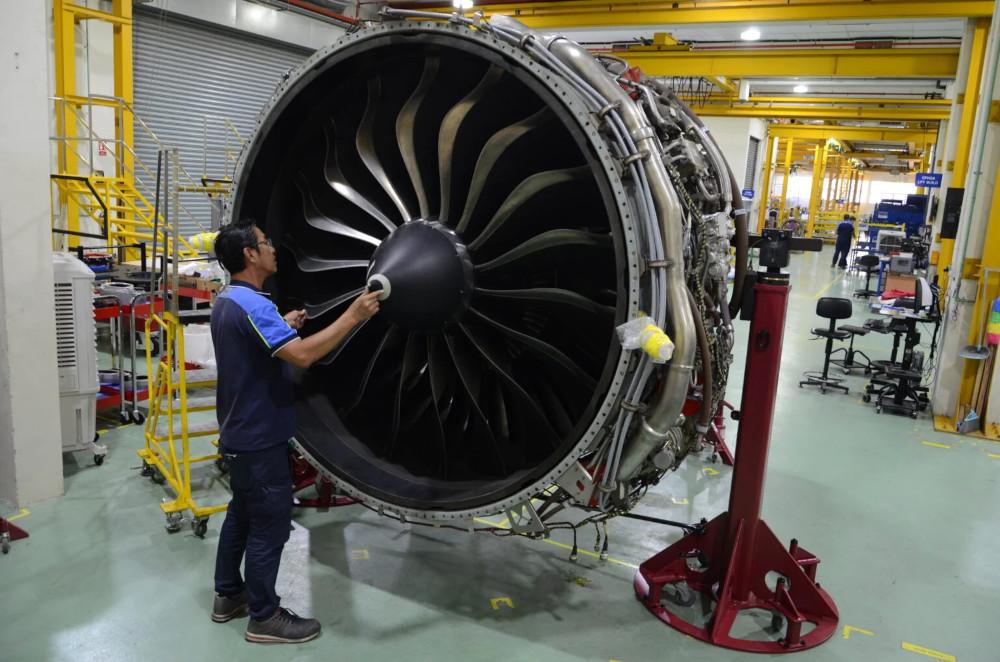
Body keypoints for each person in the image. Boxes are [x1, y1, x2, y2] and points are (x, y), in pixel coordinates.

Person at [209, 220, 380, 644]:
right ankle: (264, 617)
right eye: (265, 242)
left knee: (240, 517)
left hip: (237, 434)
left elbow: (258, 345)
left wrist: (283, 324)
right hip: (260, 437)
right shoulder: (254, 307)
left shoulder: (229, 300)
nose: (272, 248)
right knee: (270, 526)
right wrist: (355, 314)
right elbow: (301, 357)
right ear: (250, 254)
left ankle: (228, 595)